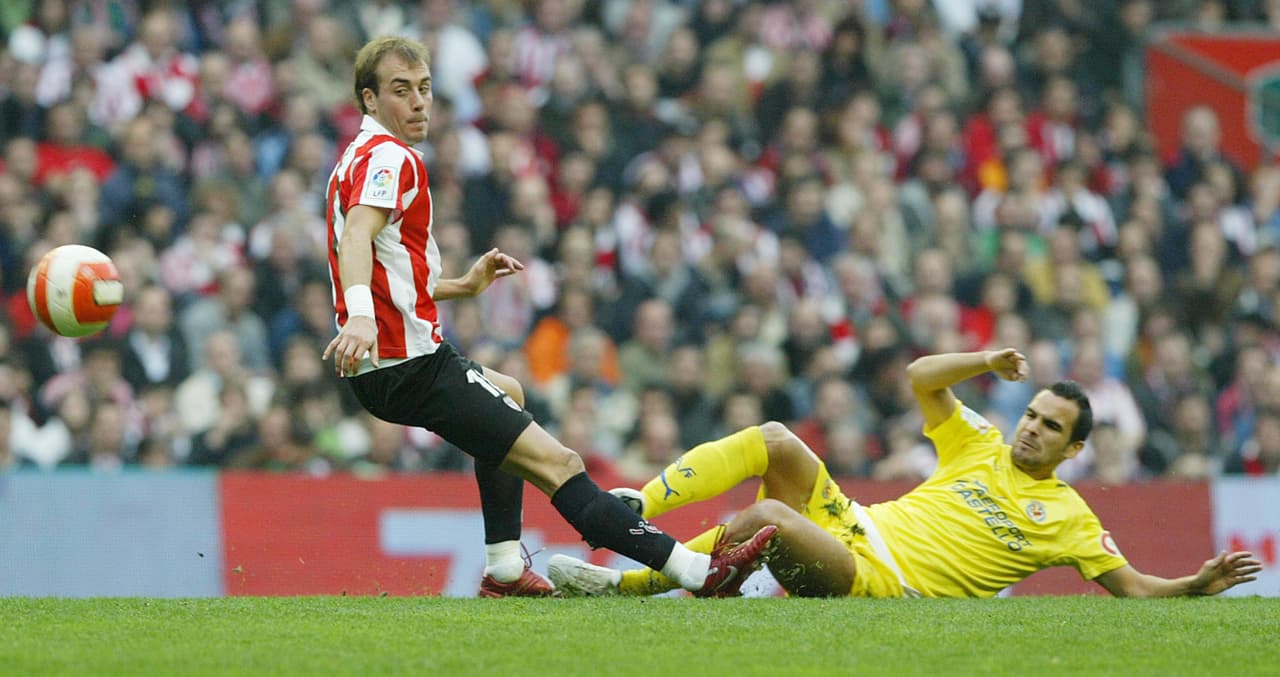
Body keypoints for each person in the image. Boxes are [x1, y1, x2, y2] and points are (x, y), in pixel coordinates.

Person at [321, 36, 775, 599]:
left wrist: (460, 286)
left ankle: (505, 567)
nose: (418, 103)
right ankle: (697, 572)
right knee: (560, 462)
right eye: (400, 91)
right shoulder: (392, 156)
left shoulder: (356, 158)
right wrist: (361, 316)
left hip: (389, 364)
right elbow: (359, 237)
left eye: (425, 89)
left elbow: (386, 263)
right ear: (369, 98)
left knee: (507, 391)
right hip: (407, 364)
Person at [547, 348, 1263, 598]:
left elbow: (1132, 587)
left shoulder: (1070, 518)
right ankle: (641, 499)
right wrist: (984, 362)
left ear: (1072, 451)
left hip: (880, 581)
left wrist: (1194, 584)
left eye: (1050, 427)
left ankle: (630, 579)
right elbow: (922, 377)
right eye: (1033, 413)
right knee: (776, 439)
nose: (1032, 427)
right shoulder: (979, 441)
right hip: (855, 522)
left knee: (767, 518)